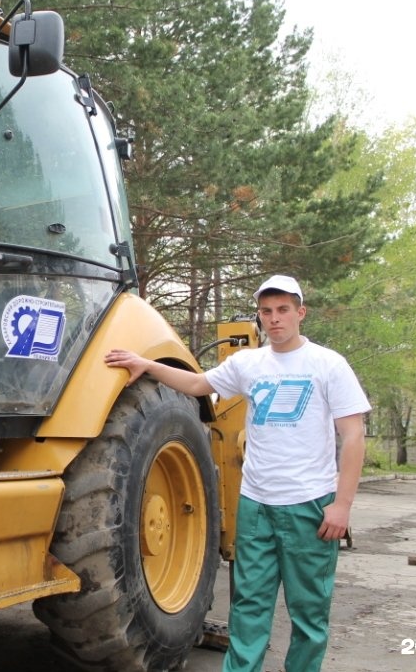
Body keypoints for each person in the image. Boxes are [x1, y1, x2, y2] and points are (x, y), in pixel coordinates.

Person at [103, 274, 370, 672]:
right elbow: (196, 384)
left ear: (301, 312)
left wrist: (342, 506)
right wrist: (147, 365)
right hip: (257, 505)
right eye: (266, 312)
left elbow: (353, 436)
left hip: (309, 505)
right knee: (248, 606)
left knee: (309, 612)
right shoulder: (248, 363)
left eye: (283, 310)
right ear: (260, 317)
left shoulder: (328, 365)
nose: (274, 319)